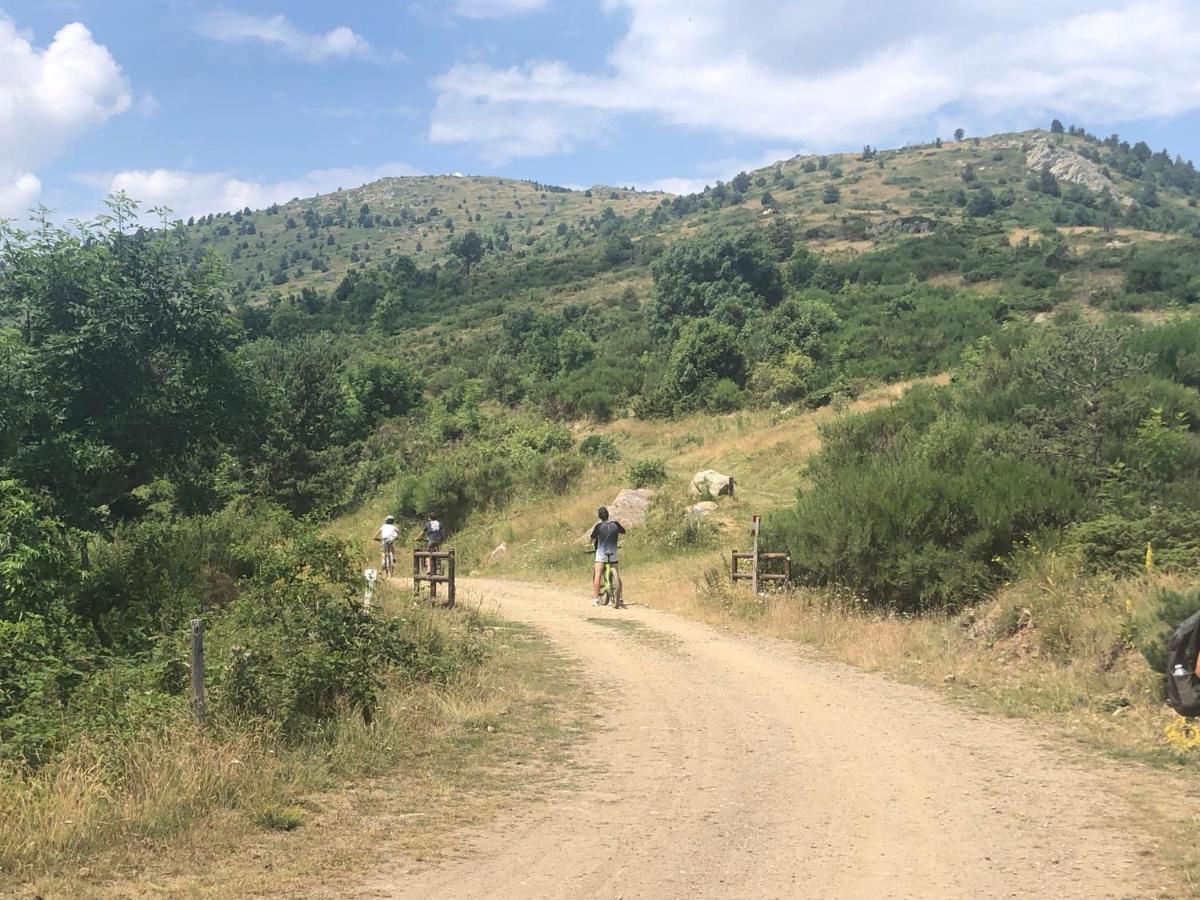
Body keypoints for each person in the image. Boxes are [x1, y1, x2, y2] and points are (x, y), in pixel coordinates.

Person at [589, 506, 626, 607]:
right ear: (608, 515)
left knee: (598, 574)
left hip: (601, 553)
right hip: (613, 552)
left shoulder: (598, 526)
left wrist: (591, 542)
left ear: (599, 517)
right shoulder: (615, 524)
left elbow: (591, 539)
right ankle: (621, 598)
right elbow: (624, 531)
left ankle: (596, 599)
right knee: (617, 575)